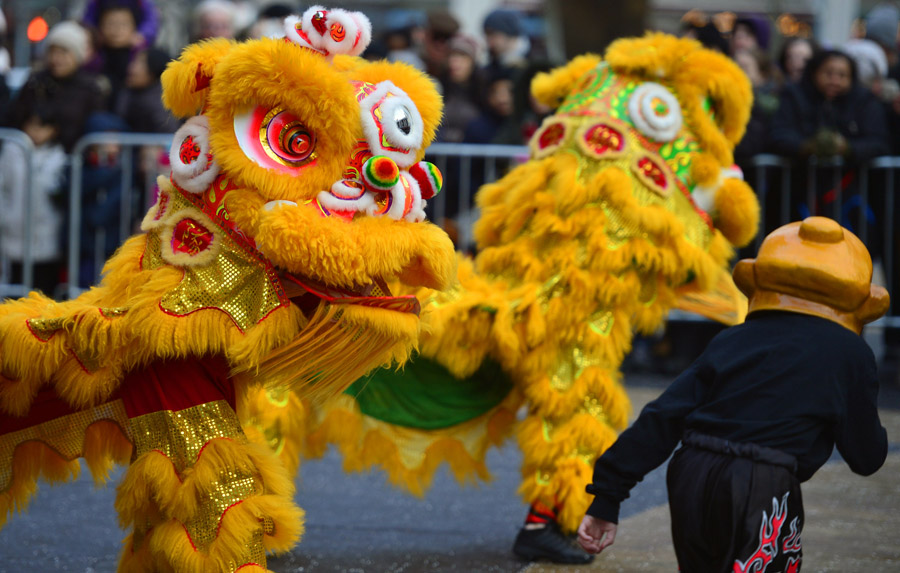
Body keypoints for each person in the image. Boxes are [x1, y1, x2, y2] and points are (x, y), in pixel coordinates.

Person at [578, 216, 889, 571]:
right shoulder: (850, 353)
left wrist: (607, 496)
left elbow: (664, 414)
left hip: (692, 470)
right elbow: (867, 457)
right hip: (763, 481)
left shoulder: (735, 338)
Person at [6, 21, 107, 152]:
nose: (56, 58)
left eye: (64, 52)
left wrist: (54, 132)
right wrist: (27, 129)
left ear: (77, 55)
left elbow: (90, 128)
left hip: (69, 161)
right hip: (28, 154)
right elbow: (14, 116)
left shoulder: (90, 88)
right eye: (52, 51)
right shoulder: (35, 81)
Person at [0, 106, 68, 296]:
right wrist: (5, 216)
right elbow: (3, 186)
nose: (37, 132)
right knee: (15, 287)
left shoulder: (59, 155)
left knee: (43, 287)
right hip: (15, 227)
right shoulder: (12, 151)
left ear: (53, 130)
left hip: (47, 228)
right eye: (33, 125)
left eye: (43, 127)